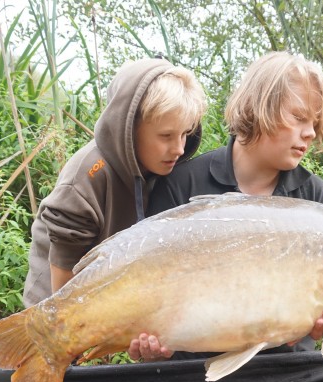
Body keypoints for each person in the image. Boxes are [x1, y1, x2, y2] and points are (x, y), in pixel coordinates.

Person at [129, 51, 323, 362]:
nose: (310, 132)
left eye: (315, 123)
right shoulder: (181, 184)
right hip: (189, 374)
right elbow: (149, 297)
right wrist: (151, 346)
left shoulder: (315, 200)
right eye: (299, 117)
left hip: (283, 370)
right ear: (259, 108)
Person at [23, 57, 207, 306]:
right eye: (166, 136)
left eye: (185, 133)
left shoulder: (160, 166)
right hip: (55, 304)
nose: (179, 149)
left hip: (109, 298)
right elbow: (64, 295)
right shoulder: (85, 179)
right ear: (129, 127)